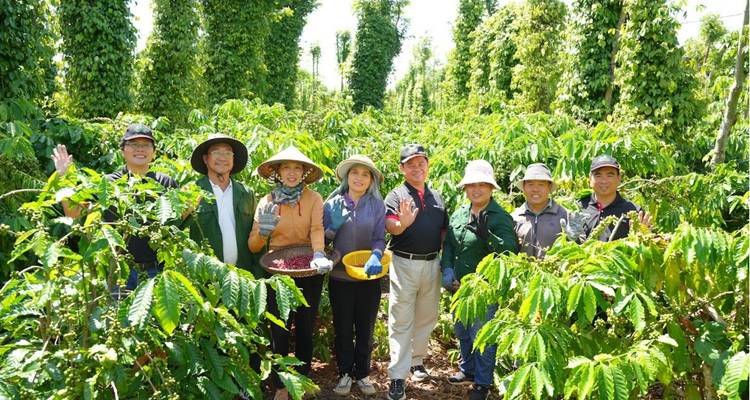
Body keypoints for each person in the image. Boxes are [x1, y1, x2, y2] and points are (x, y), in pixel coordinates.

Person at [247, 146, 333, 400]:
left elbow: (317, 228)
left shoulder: (314, 198)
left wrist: (318, 253)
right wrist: (263, 231)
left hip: (308, 269)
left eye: (297, 168)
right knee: (279, 329)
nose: (292, 173)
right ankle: (281, 386)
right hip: (277, 271)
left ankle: (303, 379)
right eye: (286, 167)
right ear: (277, 172)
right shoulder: (267, 201)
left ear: (305, 172)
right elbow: (253, 245)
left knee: (306, 327)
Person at [52, 123, 178, 291]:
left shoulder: (166, 182)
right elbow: (74, 212)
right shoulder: (108, 184)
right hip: (119, 271)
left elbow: (179, 219)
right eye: (134, 144)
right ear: (122, 150)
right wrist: (64, 177)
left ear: (153, 152)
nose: (140, 149)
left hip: (157, 269)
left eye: (146, 145)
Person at [441, 160, 518, 400]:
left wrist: (489, 237)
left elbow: (510, 252)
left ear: (491, 188)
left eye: (481, 185)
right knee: (462, 330)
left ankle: (482, 383)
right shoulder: (459, 214)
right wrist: (447, 270)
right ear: (465, 188)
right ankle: (468, 369)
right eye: (471, 185)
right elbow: (450, 247)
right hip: (459, 287)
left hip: (485, 290)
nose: (476, 190)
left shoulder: (500, 217)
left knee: (482, 336)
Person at [384, 144, 448, 400]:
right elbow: (390, 226)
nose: (417, 167)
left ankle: (417, 361)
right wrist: (403, 224)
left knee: (427, 316)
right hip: (404, 263)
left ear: (427, 165)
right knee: (401, 320)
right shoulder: (396, 195)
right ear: (402, 168)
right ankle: (397, 377)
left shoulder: (437, 196)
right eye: (411, 163)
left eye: (421, 162)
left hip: (432, 263)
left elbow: (443, 230)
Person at [323, 154, 386, 396]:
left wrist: (376, 255)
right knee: (343, 328)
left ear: (371, 180)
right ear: (347, 177)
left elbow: (379, 239)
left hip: (368, 277)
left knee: (365, 327)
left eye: (365, 174)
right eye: (355, 173)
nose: (359, 178)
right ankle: (345, 373)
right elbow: (323, 243)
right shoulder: (332, 204)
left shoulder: (376, 205)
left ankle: (362, 373)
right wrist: (333, 227)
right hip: (340, 277)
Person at [187, 134, 260, 276]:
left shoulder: (246, 193)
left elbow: (255, 234)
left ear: (233, 159)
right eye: (216, 152)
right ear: (205, 159)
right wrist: (185, 209)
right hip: (207, 278)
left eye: (228, 153)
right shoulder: (192, 192)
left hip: (243, 276)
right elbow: (172, 227)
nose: (222, 157)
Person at [575, 155, 651, 242]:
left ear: (619, 179)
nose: (604, 181)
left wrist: (644, 237)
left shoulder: (633, 211)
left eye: (610, 175)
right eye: (598, 175)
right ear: (590, 180)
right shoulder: (578, 207)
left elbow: (647, 247)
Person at [511, 163, 569, 258]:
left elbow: (580, 247)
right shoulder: (514, 218)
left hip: (554, 271)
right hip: (523, 271)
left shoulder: (564, 215)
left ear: (549, 187)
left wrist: (575, 238)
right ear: (524, 188)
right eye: (530, 184)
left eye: (541, 185)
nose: (535, 189)